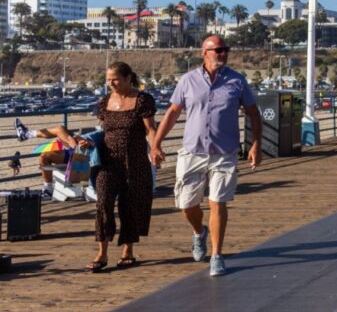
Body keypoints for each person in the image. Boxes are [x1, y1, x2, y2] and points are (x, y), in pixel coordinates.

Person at [153, 36, 262, 277]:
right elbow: (173, 112)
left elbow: (254, 113)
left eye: (226, 49)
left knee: (217, 202)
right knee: (187, 204)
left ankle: (217, 255)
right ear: (205, 52)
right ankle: (198, 232)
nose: (223, 54)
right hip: (193, 151)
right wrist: (156, 143)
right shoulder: (188, 80)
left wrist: (255, 144)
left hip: (225, 153)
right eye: (218, 50)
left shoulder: (237, 81)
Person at [79, 61, 159, 272]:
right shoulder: (106, 101)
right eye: (108, 79)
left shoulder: (142, 100)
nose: (111, 83)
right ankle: (102, 252)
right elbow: (103, 131)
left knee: (129, 206)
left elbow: (150, 129)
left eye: (114, 79)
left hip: (135, 161)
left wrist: (155, 148)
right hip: (107, 161)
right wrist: (91, 141)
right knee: (103, 202)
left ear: (127, 78)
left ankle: (127, 250)